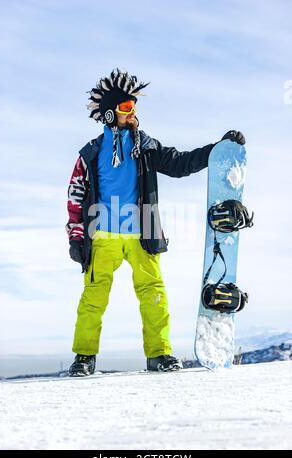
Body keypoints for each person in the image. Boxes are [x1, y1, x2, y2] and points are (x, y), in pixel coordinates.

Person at [66, 68, 245, 376]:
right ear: (109, 114)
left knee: (154, 295)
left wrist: (218, 150)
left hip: (143, 230)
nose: (131, 113)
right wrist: (75, 236)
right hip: (101, 231)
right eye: (125, 108)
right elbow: (75, 193)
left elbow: (180, 162)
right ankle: (84, 357)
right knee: (93, 298)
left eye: (134, 107)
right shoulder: (91, 153)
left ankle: (159, 354)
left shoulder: (146, 147)